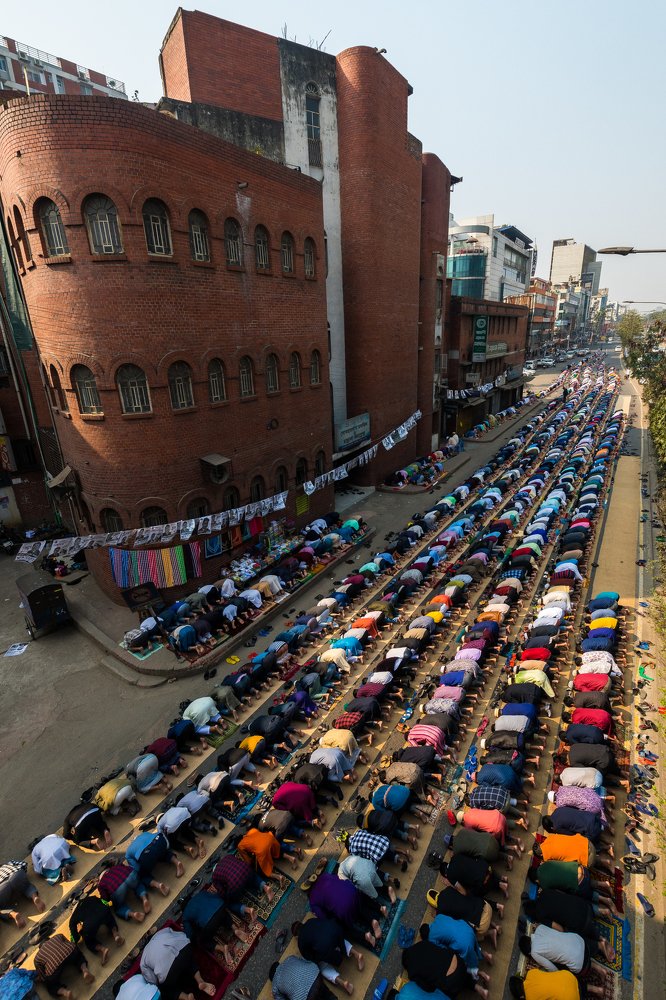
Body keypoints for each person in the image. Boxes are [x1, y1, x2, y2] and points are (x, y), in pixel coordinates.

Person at [293, 917, 365, 994]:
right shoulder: (310, 921)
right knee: (340, 941)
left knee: (322, 966)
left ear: (297, 935)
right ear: (301, 924)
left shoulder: (300, 942)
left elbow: (310, 958)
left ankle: (342, 982)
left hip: (325, 947)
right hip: (335, 930)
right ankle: (357, 954)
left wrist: (321, 957)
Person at [140, 927, 215, 999]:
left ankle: (186, 997)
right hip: (183, 950)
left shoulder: (144, 957)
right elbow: (180, 935)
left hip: (167, 972)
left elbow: (153, 981)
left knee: (165, 988)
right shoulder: (162, 932)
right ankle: (200, 981)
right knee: (189, 961)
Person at [34, 933, 95, 998]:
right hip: (69, 951)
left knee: (50, 985)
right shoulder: (58, 936)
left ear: (40, 948)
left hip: (54, 967)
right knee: (78, 956)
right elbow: (69, 943)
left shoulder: (37, 957)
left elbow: (42, 975)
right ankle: (85, 971)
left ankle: (65, 992)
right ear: (49, 938)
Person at [69, 894, 124, 964]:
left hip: (91, 923)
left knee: (88, 940)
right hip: (103, 911)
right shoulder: (92, 898)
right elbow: (105, 903)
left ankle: (103, 949)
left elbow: (74, 936)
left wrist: (79, 935)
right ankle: (116, 935)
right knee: (109, 919)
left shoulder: (74, 916)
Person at [0, 860, 45, 927]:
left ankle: (13, 914)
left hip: (2, 887)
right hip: (16, 874)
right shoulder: (8, 864)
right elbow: (24, 864)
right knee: (26, 885)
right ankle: (34, 896)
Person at [270, 955, 335, 1000]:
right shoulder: (289, 958)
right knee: (324, 991)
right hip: (315, 975)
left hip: (305, 997)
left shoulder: (274, 984)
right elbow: (304, 960)